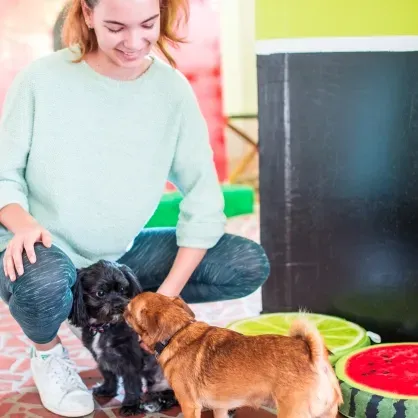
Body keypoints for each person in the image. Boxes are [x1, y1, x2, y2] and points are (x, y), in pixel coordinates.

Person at [0, 0, 270, 416]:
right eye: (115, 27)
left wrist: (164, 299)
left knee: (245, 261)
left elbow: (203, 197)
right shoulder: (42, 79)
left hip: (117, 259)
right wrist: (22, 224)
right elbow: (4, 173)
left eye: (147, 24)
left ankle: (94, 308)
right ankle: (47, 351)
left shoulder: (171, 90)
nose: (134, 42)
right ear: (88, 16)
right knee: (44, 282)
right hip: (42, 253)